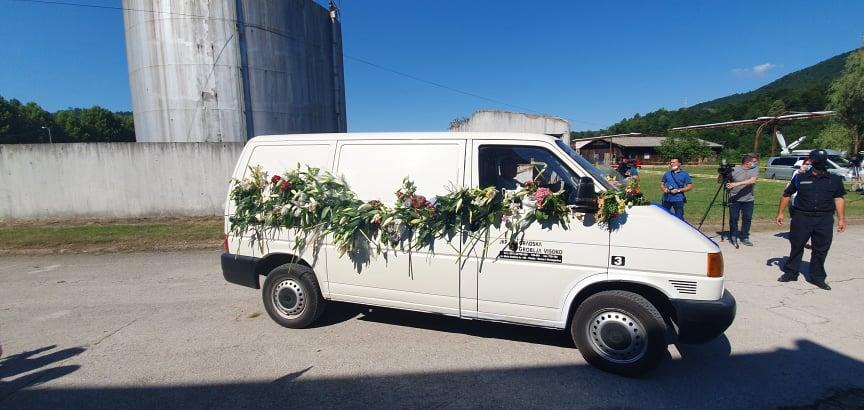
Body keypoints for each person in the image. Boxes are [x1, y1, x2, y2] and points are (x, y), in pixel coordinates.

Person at [775, 149, 847, 290]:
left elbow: (839, 198)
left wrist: (841, 219)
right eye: (818, 161)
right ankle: (791, 272)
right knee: (797, 246)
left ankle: (817, 277)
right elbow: (786, 194)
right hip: (802, 217)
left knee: (821, 249)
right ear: (811, 161)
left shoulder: (835, 179)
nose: (820, 164)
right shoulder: (800, 177)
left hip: (824, 218)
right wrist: (780, 213)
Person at [725, 154, 759, 246]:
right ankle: (733, 235)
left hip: (748, 199)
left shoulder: (754, 169)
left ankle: (744, 237)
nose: (756, 163)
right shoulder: (735, 170)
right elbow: (721, 181)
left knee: (747, 218)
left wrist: (736, 184)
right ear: (748, 163)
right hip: (734, 198)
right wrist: (722, 175)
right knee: (734, 218)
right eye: (754, 162)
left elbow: (752, 181)